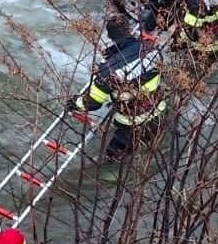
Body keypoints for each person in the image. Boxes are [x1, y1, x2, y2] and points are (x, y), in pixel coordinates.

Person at [67, 16, 167, 159]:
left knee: (113, 158)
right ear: (128, 30)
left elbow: (93, 103)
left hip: (133, 126)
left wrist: (76, 102)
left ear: (108, 36)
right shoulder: (152, 49)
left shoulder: (108, 71)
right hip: (159, 113)